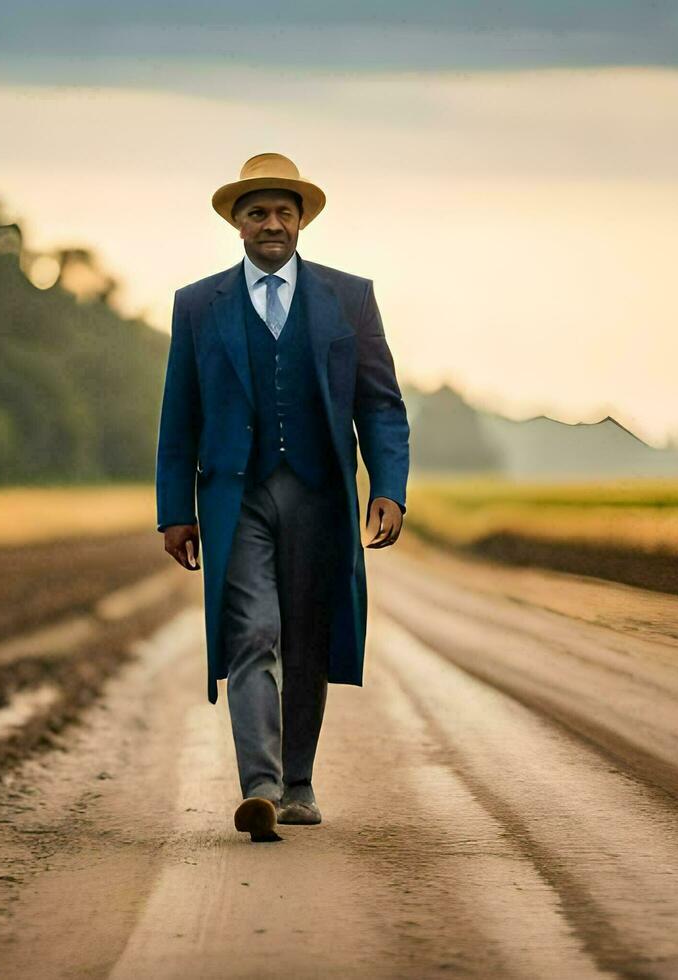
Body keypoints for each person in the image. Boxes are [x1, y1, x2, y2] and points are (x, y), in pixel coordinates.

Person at [155, 152, 410, 842]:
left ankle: (299, 784)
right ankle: (260, 787)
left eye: (283, 212)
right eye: (258, 213)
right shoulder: (197, 304)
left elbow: (381, 405)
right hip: (237, 498)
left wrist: (388, 489)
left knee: (304, 639)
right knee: (252, 634)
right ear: (236, 225)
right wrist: (175, 510)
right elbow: (180, 414)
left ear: (301, 221)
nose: (272, 223)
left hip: (321, 494)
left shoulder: (349, 298)